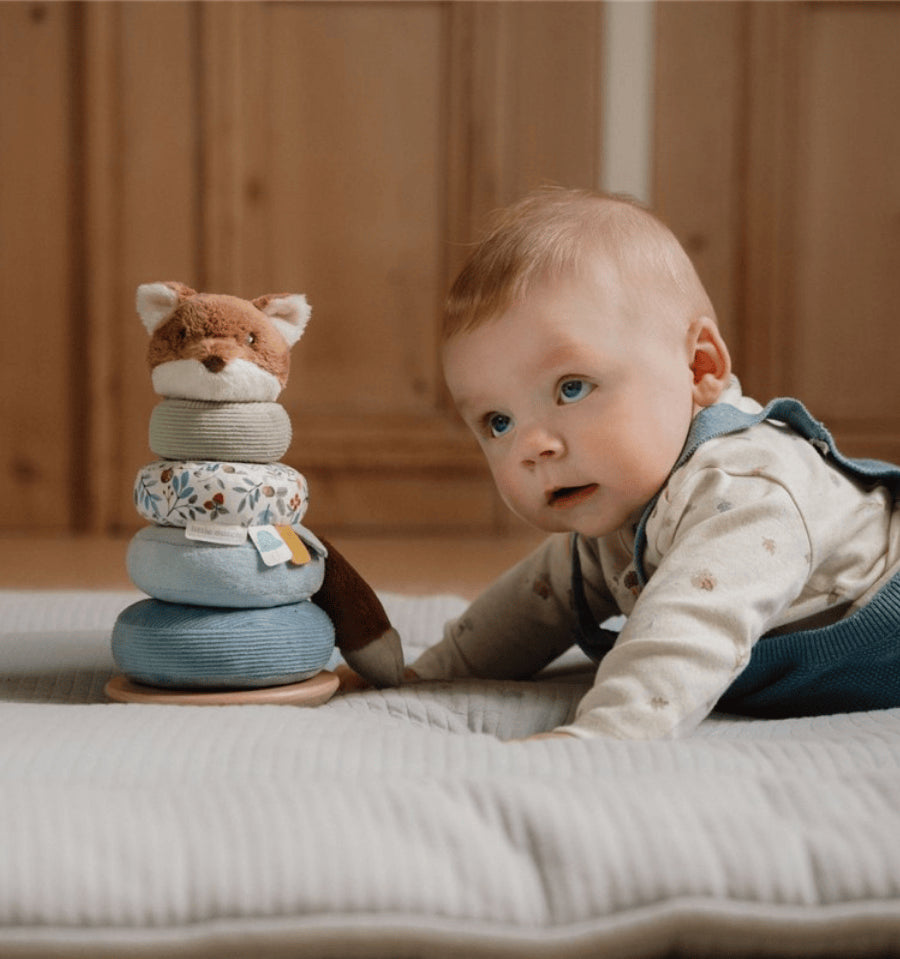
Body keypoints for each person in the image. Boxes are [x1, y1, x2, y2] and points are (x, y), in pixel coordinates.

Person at [360, 186, 900, 740]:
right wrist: (429, 673)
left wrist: (606, 735)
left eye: (571, 388)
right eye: (498, 422)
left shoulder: (747, 492)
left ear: (697, 368)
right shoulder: (621, 506)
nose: (532, 445)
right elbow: (536, 602)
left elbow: (685, 635)